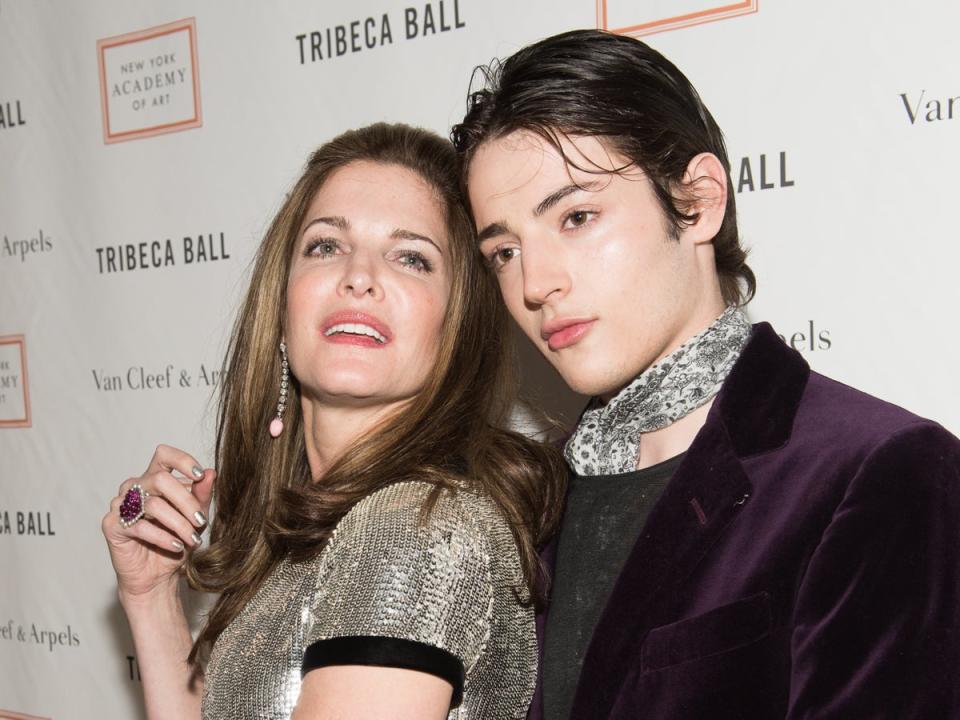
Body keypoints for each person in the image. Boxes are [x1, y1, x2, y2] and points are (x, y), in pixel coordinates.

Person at [452, 29, 960, 720]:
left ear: (697, 201)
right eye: (504, 252)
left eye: (577, 216)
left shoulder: (876, 471)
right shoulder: (529, 506)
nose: (536, 283)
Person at [101, 123, 566, 719]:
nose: (359, 275)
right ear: (282, 299)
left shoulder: (411, 529)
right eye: (326, 246)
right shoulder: (323, 525)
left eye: (411, 258)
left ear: (459, 323)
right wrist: (151, 596)